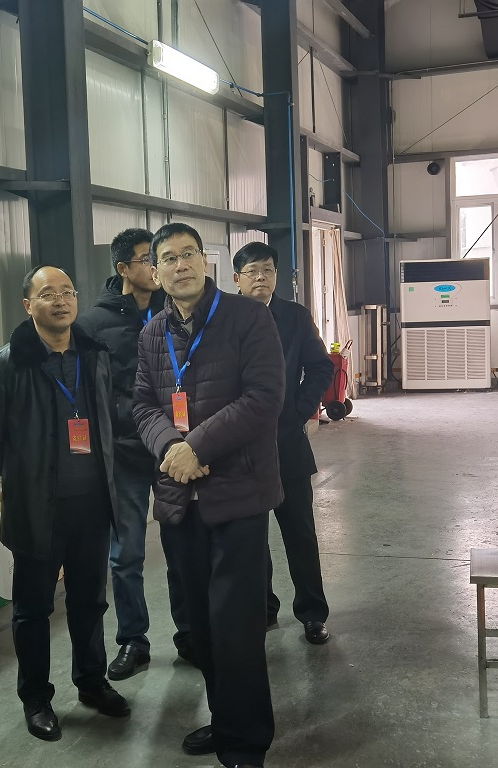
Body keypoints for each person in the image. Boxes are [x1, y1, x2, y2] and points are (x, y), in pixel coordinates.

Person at [133, 223, 285, 768]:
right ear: (156, 272)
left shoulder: (248, 317)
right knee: (199, 624)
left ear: (205, 261)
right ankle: (225, 722)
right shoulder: (152, 333)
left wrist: (195, 446)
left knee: (237, 625)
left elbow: (264, 397)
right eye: (168, 258)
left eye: (189, 254)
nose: (180, 265)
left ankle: (245, 742)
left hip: (237, 494)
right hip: (179, 500)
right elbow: (142, 405)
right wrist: (171, 447)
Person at [0, 265, 129, 741]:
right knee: (33, 610)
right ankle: (36, 698)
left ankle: (91, 681)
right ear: (28, 305)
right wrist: (28, 476)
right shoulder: (5, 365)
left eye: (67, 292)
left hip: (92, 504)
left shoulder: (94, 354)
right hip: (37, 507)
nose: (60, 301)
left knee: (90, 602)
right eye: (48, 294)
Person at [78, 228, 185, 680]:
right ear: (123, 268)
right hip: (124, 452)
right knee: (126, 555)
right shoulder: (93, 324)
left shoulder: (175, 312)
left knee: (183, 547)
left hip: (174, 448)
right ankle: (133, 641)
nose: (156, 268)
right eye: (147, 260)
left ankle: (190, 635)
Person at [232, 241, 334, 644]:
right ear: (237, 279)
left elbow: (321, 367)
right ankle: (262, 609)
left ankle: (312, 612)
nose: (261, 277)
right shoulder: (224, 319)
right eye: (252, 271)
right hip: (241, 449)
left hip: (286, 443)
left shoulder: (294, 316)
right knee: (251, 538)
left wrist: (298, 411)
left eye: (268, 270)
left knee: (300, 534)